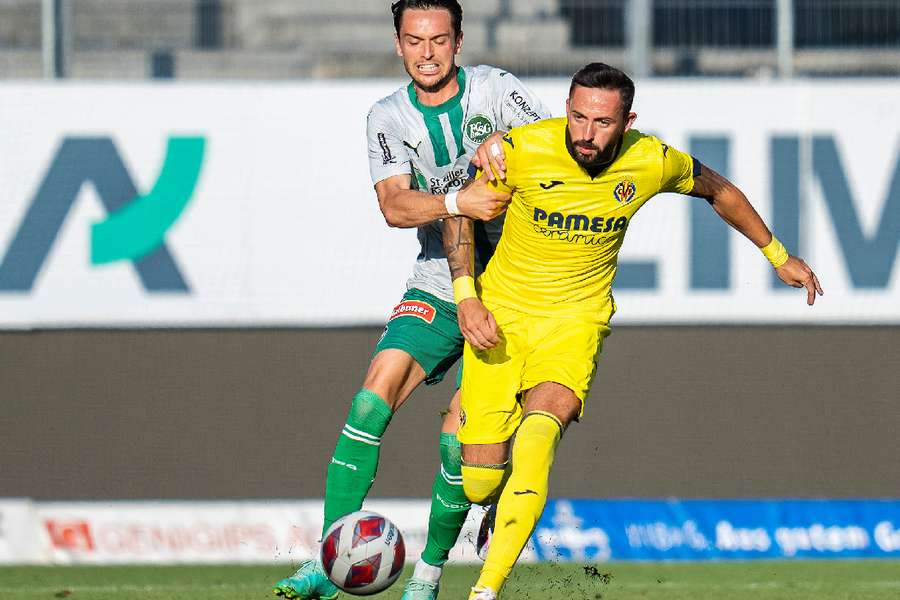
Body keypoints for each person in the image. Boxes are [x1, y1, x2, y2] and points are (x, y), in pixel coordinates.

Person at [443, 62, 824, 599]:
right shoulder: (522, 149)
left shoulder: (651, 159)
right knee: (480, 480)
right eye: (577, 116)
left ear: (628, 121)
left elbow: (721, 190)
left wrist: (778, 255)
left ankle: (484, 590)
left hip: (576, 324)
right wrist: (466, 298)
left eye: (601, 122)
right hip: (499, 320)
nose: (585, 133)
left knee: (538, 436)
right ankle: (493, 494)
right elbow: (458, 212)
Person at [271, 2, 550, 599]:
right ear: (398, 45)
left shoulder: (498, 91)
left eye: (440, 40)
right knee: (373, 397)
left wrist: (511, 142)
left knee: (461, 438)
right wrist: (458, 205)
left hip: (516, 285)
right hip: (438, 274)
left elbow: (550, 151)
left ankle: (425, 578)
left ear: (459, 42)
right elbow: (396, 206)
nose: (428, 53)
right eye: (415, 41)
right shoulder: (387, 117)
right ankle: (330, 558)